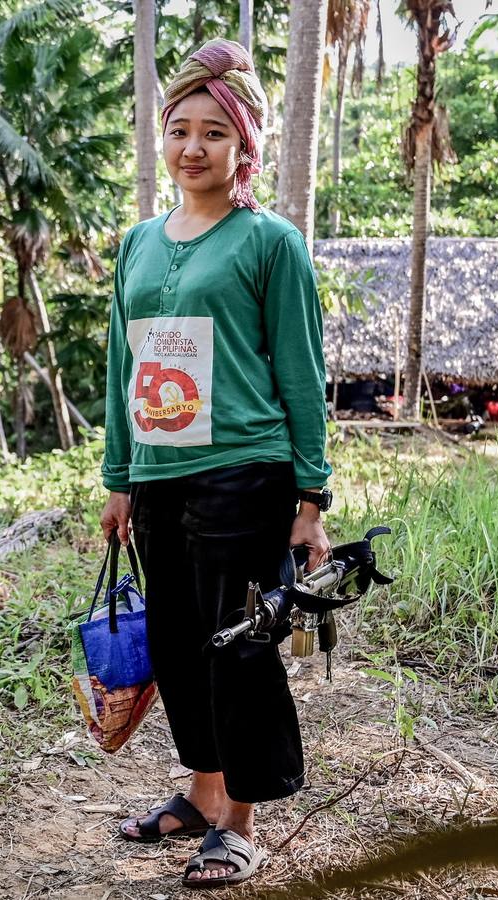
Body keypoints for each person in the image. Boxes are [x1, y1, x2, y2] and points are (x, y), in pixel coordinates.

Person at [98, 38, 332, 888]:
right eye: (179, 130)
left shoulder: (270, 242)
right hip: (159, 476)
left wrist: (311, 493)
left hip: (246, 469)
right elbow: (122, 365)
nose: (192, 147)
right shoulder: (138, 243)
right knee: (177, 643)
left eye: (213, 133)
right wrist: (118, 477)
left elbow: (302, 372)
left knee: (238, 647)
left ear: (243, 148)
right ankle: (199, 794)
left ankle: (238, 820)